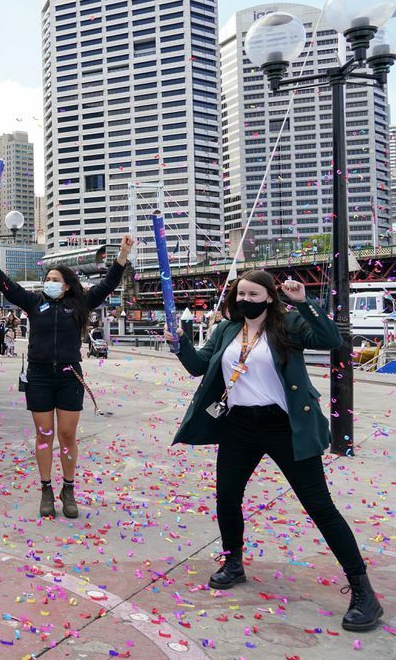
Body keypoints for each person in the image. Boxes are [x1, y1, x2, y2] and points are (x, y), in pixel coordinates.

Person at [164, 271, 383, 633]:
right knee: (227, 497)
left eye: (253, 293)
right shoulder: (226, 330)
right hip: (239, 425)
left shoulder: (290, 324)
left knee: (319, 506)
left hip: (284, 425)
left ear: (268, 297)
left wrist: (303, 301)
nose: (244, 299)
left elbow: (329, 340)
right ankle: (233, 561)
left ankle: (362, 589)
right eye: (240, 293)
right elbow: (199, 366)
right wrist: (180, 343)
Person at [0, 235, 134, 518]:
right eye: (46, 277)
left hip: (68, 375)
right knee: (44, 434)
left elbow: (109, 283)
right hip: (38, 375)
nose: (48, 282)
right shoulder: (33, 301)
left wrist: (122, 255)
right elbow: (8, 287)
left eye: (54, 278)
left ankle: (69, 488)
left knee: (66, 434)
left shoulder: (80, 304)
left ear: (65, 284)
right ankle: (46, 489)